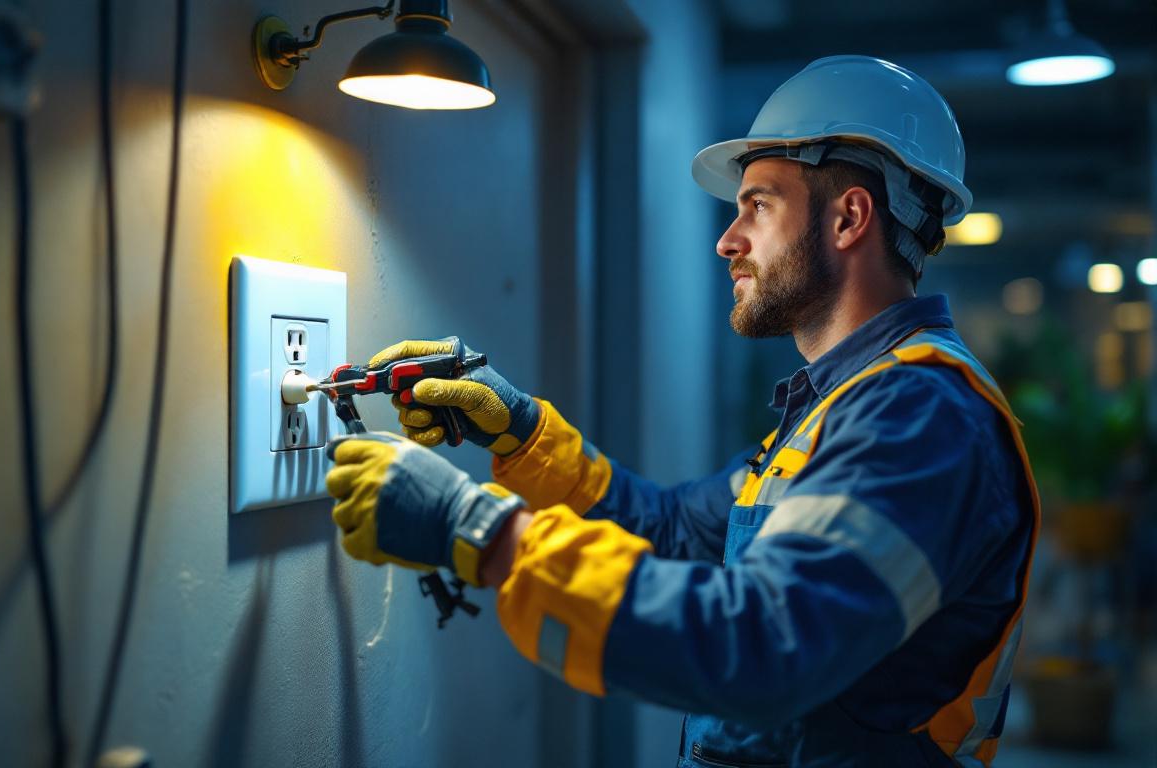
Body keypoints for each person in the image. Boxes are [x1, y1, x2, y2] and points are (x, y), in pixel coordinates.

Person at [323, 55, 1039, 767]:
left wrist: (481, 532)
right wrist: (521, 431)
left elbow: (763, 648)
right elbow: (672, 531)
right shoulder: (845, 405)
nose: (727, 240)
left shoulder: (924, 417)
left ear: (849, 218)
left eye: (758, 205)